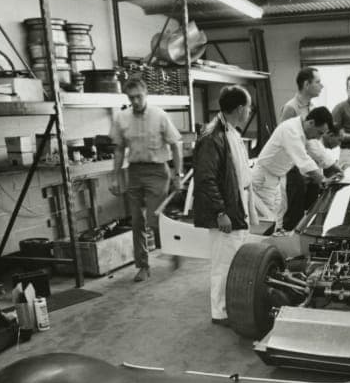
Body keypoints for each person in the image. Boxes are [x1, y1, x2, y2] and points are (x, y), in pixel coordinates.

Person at [110, 75, 183, 283]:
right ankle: (142, 266)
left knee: (153, 218)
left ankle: (175, 249)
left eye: (138, 97)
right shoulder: (122, 118)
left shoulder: (159, 116)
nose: (135, 101)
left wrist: (177, 175)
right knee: (136, 221)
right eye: (131, 98)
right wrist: (115, 177)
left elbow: (176, 145)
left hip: (157, 172)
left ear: (146, 94)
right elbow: (118, 149)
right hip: (134, 172)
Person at [192, 86, 252, 326]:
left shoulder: (229, 132)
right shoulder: (212, 137)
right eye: (248, 108)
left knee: (232, 261)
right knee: (223, 264)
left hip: (234, 206)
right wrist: (220, 212)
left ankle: (227, 307)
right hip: (224, 212)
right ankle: (220, 312)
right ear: (239, 109)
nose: (249, 112)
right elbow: (206, 178)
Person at [250, 106, 334, 232]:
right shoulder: (291, 129)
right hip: (263, 178)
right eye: (319, 133)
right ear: (311, 123)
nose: (318, 137)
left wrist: (336, 169)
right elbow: (303, 159)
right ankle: (259, 250)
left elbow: (318, 152)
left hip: (278, 178)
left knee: (278, 220)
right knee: (266, 222)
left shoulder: (306, 132)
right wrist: (322, 180)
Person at [279, 66, 333, 230]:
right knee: (294, 215)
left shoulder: (313, 107)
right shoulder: (291, 108)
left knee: (312, 214)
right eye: (318, 82)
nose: (321, 86)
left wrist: (326, 166)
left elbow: (315, 143)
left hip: (312, 169)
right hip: (296, 170)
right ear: (306, 84)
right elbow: (287, 142)